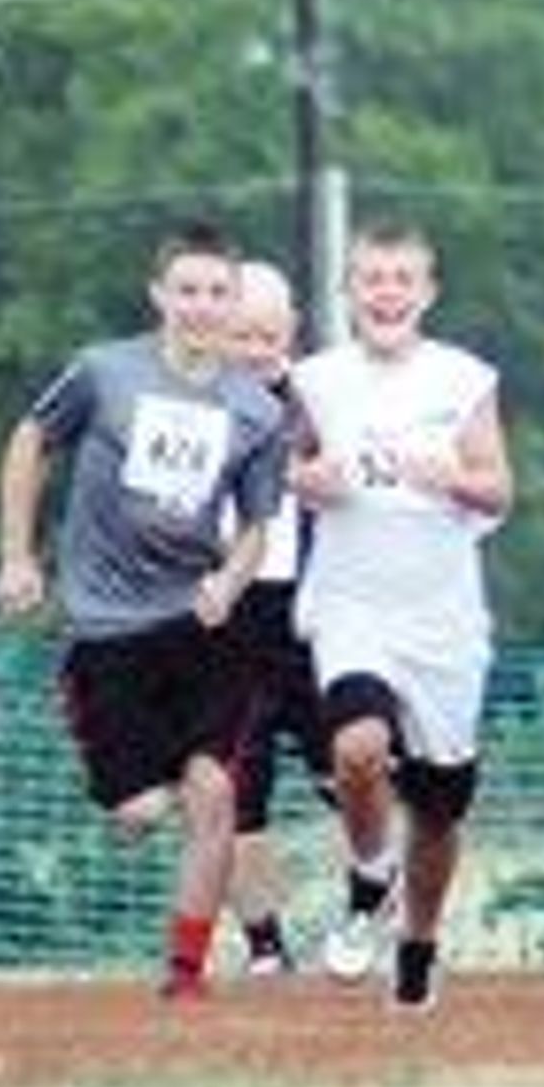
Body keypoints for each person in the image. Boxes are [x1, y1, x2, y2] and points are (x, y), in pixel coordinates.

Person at [0, 222, 294, 999]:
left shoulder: (257, 413)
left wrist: (230, 580)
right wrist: (18, 556)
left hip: (197, 622)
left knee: (215, 793)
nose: (201, 307)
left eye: (217, 293)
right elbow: (31, 439)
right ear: (159, 295)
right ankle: (119, 772)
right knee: (139, 810)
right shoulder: (104, 372)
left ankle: (185, 975)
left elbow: (257, 526)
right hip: (106, 625)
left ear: (236, 302)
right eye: (186, 291)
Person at [288, 221, 511, 1013]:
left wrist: (452, 474)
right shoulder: (317, 379)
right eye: (371, 279)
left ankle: (417, 943)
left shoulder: (463, 379)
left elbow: (500, 490)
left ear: (427, 292)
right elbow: (292, 469)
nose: (386, 293)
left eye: (401, 279)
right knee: (357, 748)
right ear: (349, 292)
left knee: (441, 805)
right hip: (351, 602)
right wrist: (315, 478)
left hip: (442, 615)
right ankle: (370, 866)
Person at [216, 260, 330, 976]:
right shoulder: (191, 401)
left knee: (358, 772)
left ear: (291, 330)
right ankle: (265, 948)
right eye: (242, 333)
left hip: (316, 609)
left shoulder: (323, 399)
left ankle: (360, 921)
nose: (256, 347)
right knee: (233, 789)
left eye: (268, 332)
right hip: (225, 612)